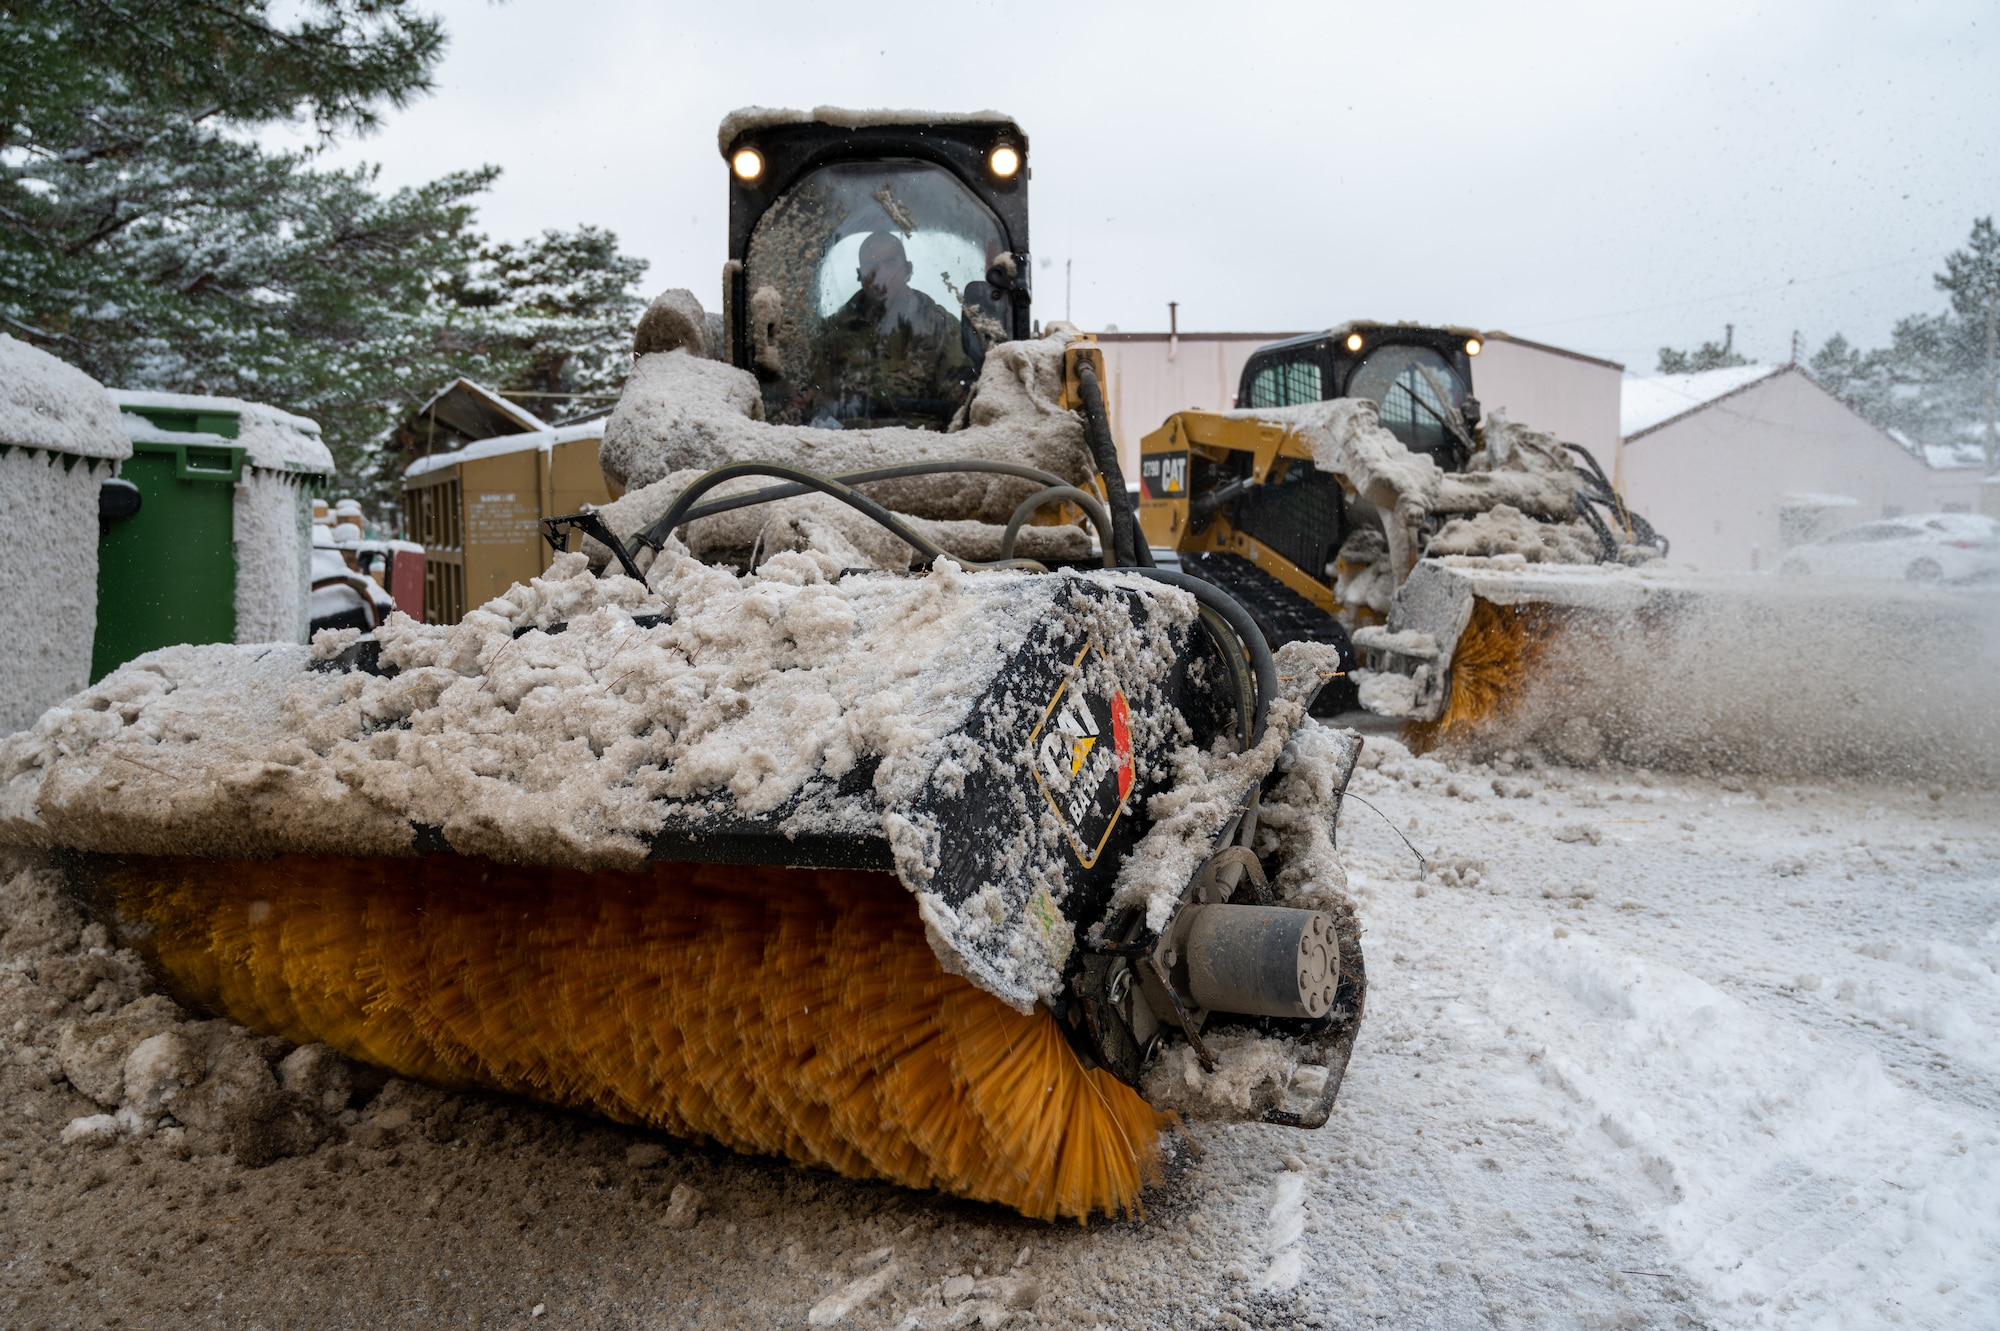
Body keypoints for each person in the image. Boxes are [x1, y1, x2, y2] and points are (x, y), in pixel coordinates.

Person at [807, 230, 972, 428]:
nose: (881, 274)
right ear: (860, 275)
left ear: (908, 270)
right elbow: (814, 402)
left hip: (923, 447)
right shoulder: (833, 332)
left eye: (890, 263)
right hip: (846, 446)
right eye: (871, 267)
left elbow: (962, 400)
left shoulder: (940, 327)